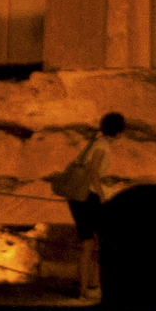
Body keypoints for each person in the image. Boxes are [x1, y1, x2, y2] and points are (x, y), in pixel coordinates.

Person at [53, 112, 126, 297]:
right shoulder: (103, 145)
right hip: (89, 196)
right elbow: (93, 173)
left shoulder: (95, 142)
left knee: (88, 243)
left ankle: (85, 290)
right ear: (118, 131)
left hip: (77, 197)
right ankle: (92, 288)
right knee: (97, 243)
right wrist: (102, 196)